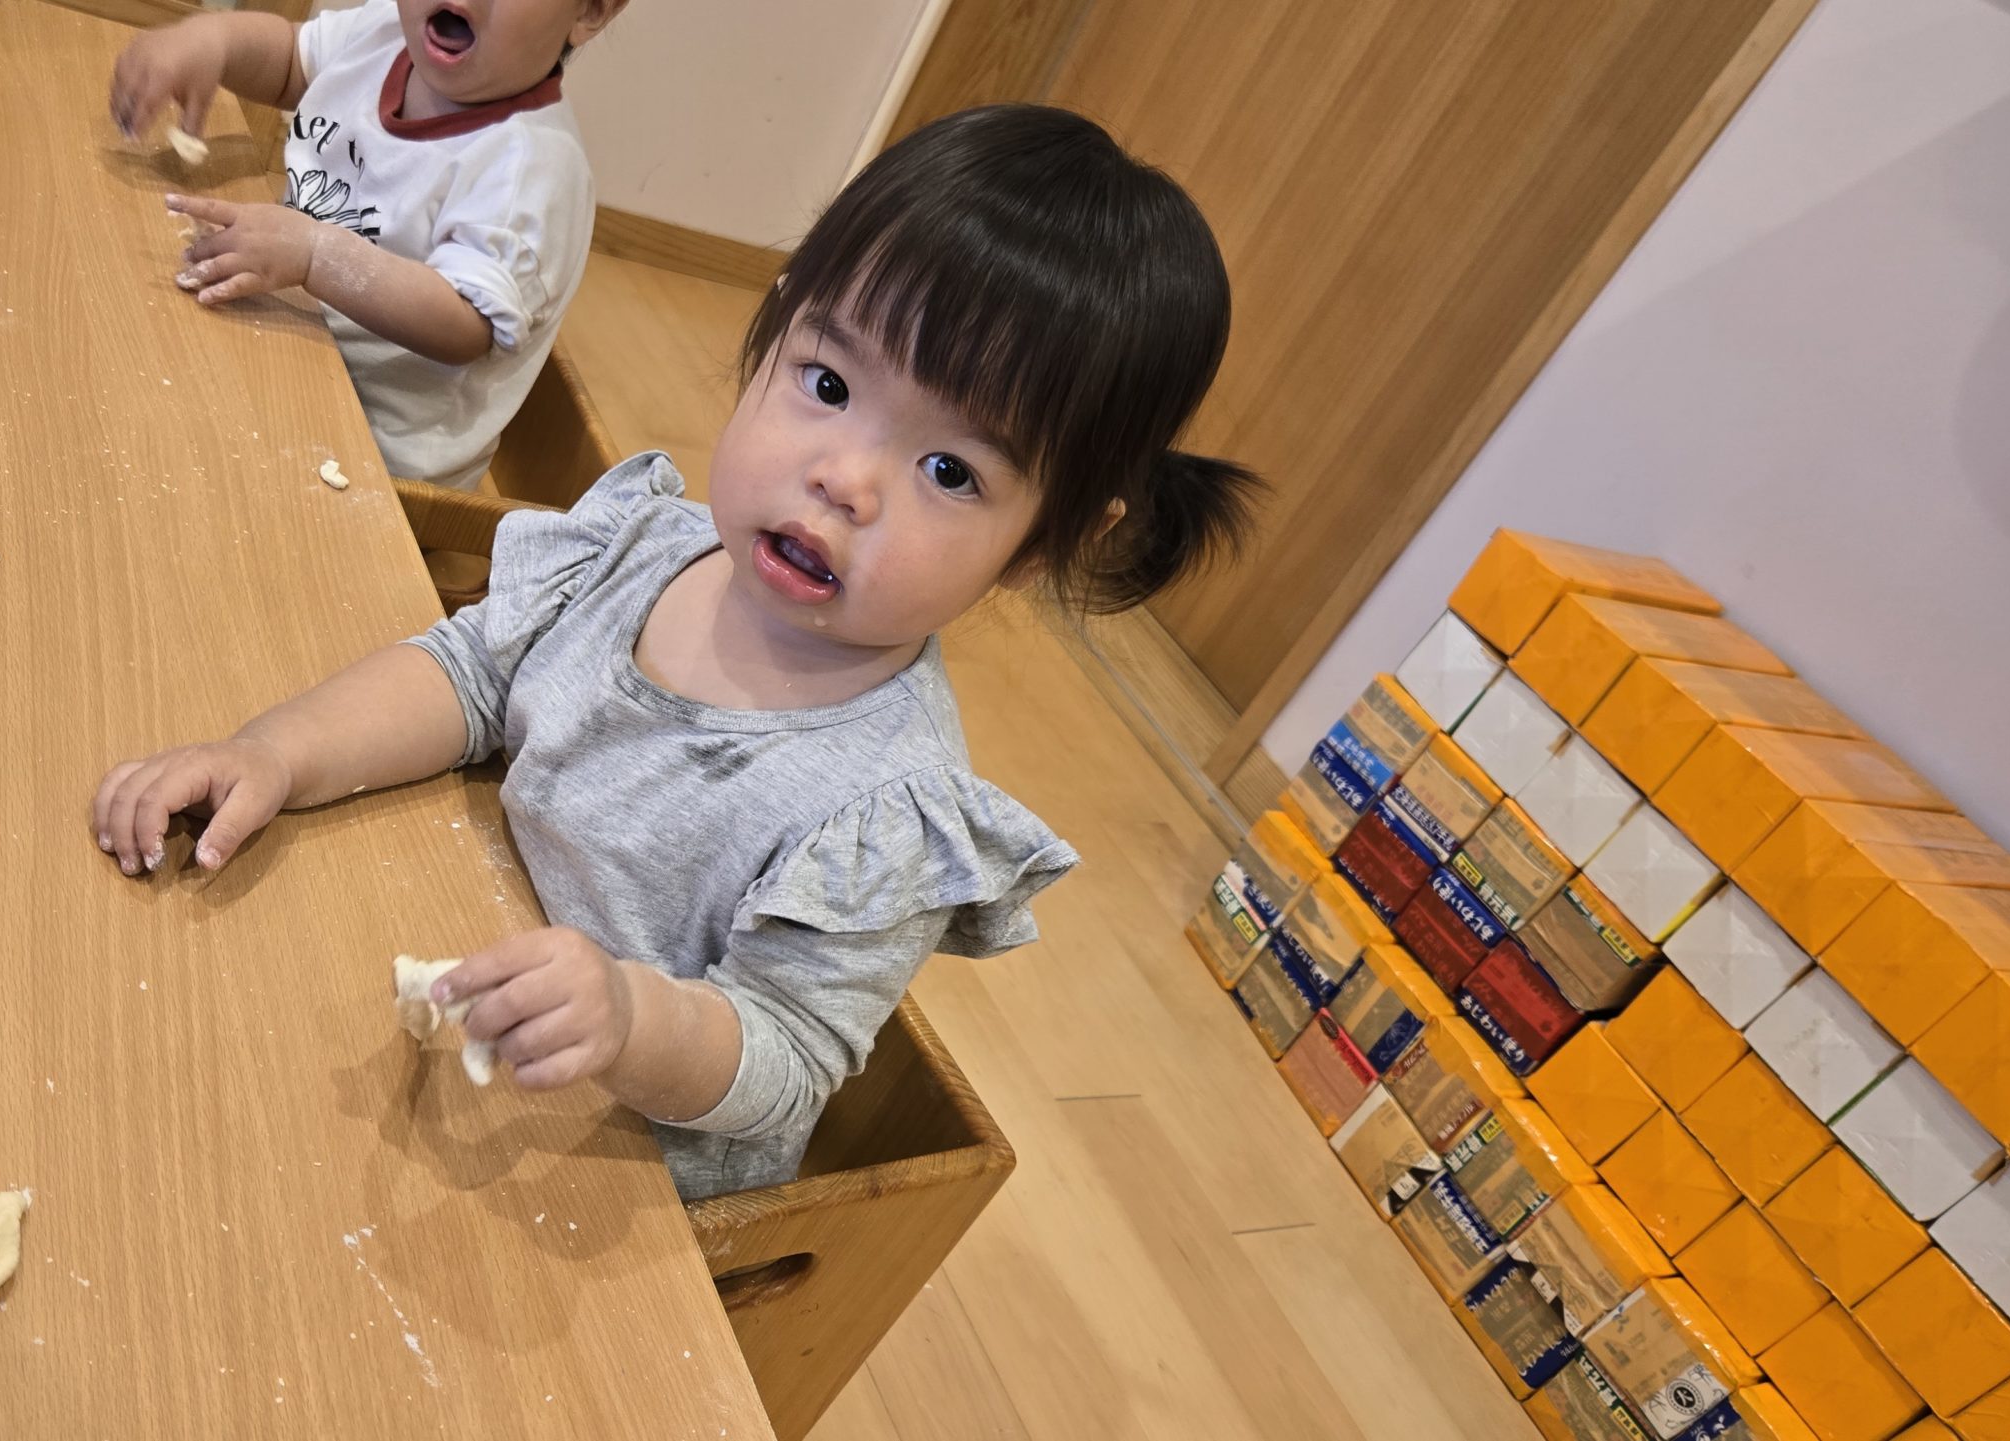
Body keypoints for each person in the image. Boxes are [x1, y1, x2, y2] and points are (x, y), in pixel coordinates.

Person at [89, 105, 1259, 1199]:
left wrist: (632, 1019)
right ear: (773, 332)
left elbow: (786, 1060)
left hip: (608, 1164)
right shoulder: (644, 547)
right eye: (828, 383)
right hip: (462, 967)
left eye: (949, 471)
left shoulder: (885, 811)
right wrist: (276, 752)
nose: (844, 479)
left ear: (1043, 545)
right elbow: (477, 671)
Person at [109, 0, 624, 488]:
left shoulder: (529, 169)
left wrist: (316, 254)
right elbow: (291, 63)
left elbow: (464, 324)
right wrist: (215, 40)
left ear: (592, 9)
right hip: (287, 342)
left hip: (372, 457)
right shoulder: (385, 35)